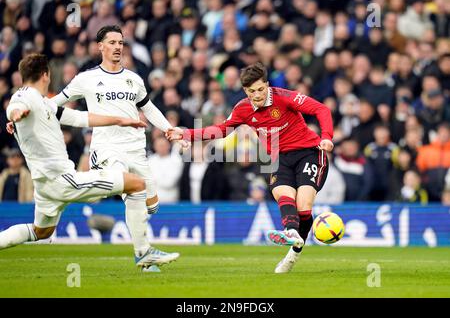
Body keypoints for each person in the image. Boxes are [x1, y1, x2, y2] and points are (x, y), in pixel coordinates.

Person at [0, 54, 179, 269]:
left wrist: (121, 120)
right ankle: (143, 253)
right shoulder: (26, 96)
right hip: (63, 181)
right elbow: (15, 105)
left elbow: (80, 118)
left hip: (45, 186)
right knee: (136, 184)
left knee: (41, 232)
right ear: (46, 75)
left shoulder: (44, 104)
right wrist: (15, 114)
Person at [167, 62, 334, 273]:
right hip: (278, 158)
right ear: (245, 91)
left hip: (309, 152)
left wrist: (326, 137)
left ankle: (293, 253)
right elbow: (220, 130)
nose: (257, 95)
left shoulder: (284, 97)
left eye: (261, 89)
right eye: (251, 91)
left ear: (268, 85)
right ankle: (291, 232)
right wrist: (186, 134)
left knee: (303, 207)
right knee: (283, 194)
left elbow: (321, 109)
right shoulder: (243, 109)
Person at [45, 26, 184, 269]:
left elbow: (148, 108)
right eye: (112, 42)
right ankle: (143, 253)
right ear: (100, 46)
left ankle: (143, 253)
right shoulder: (85, 79)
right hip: (107, 148)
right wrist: (24, 116)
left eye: (121, 43)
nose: (118, 47)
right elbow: (53, 103)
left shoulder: (134, 79)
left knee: (151, 205)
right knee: (132, 190)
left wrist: (168, 129)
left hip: (137, 149)